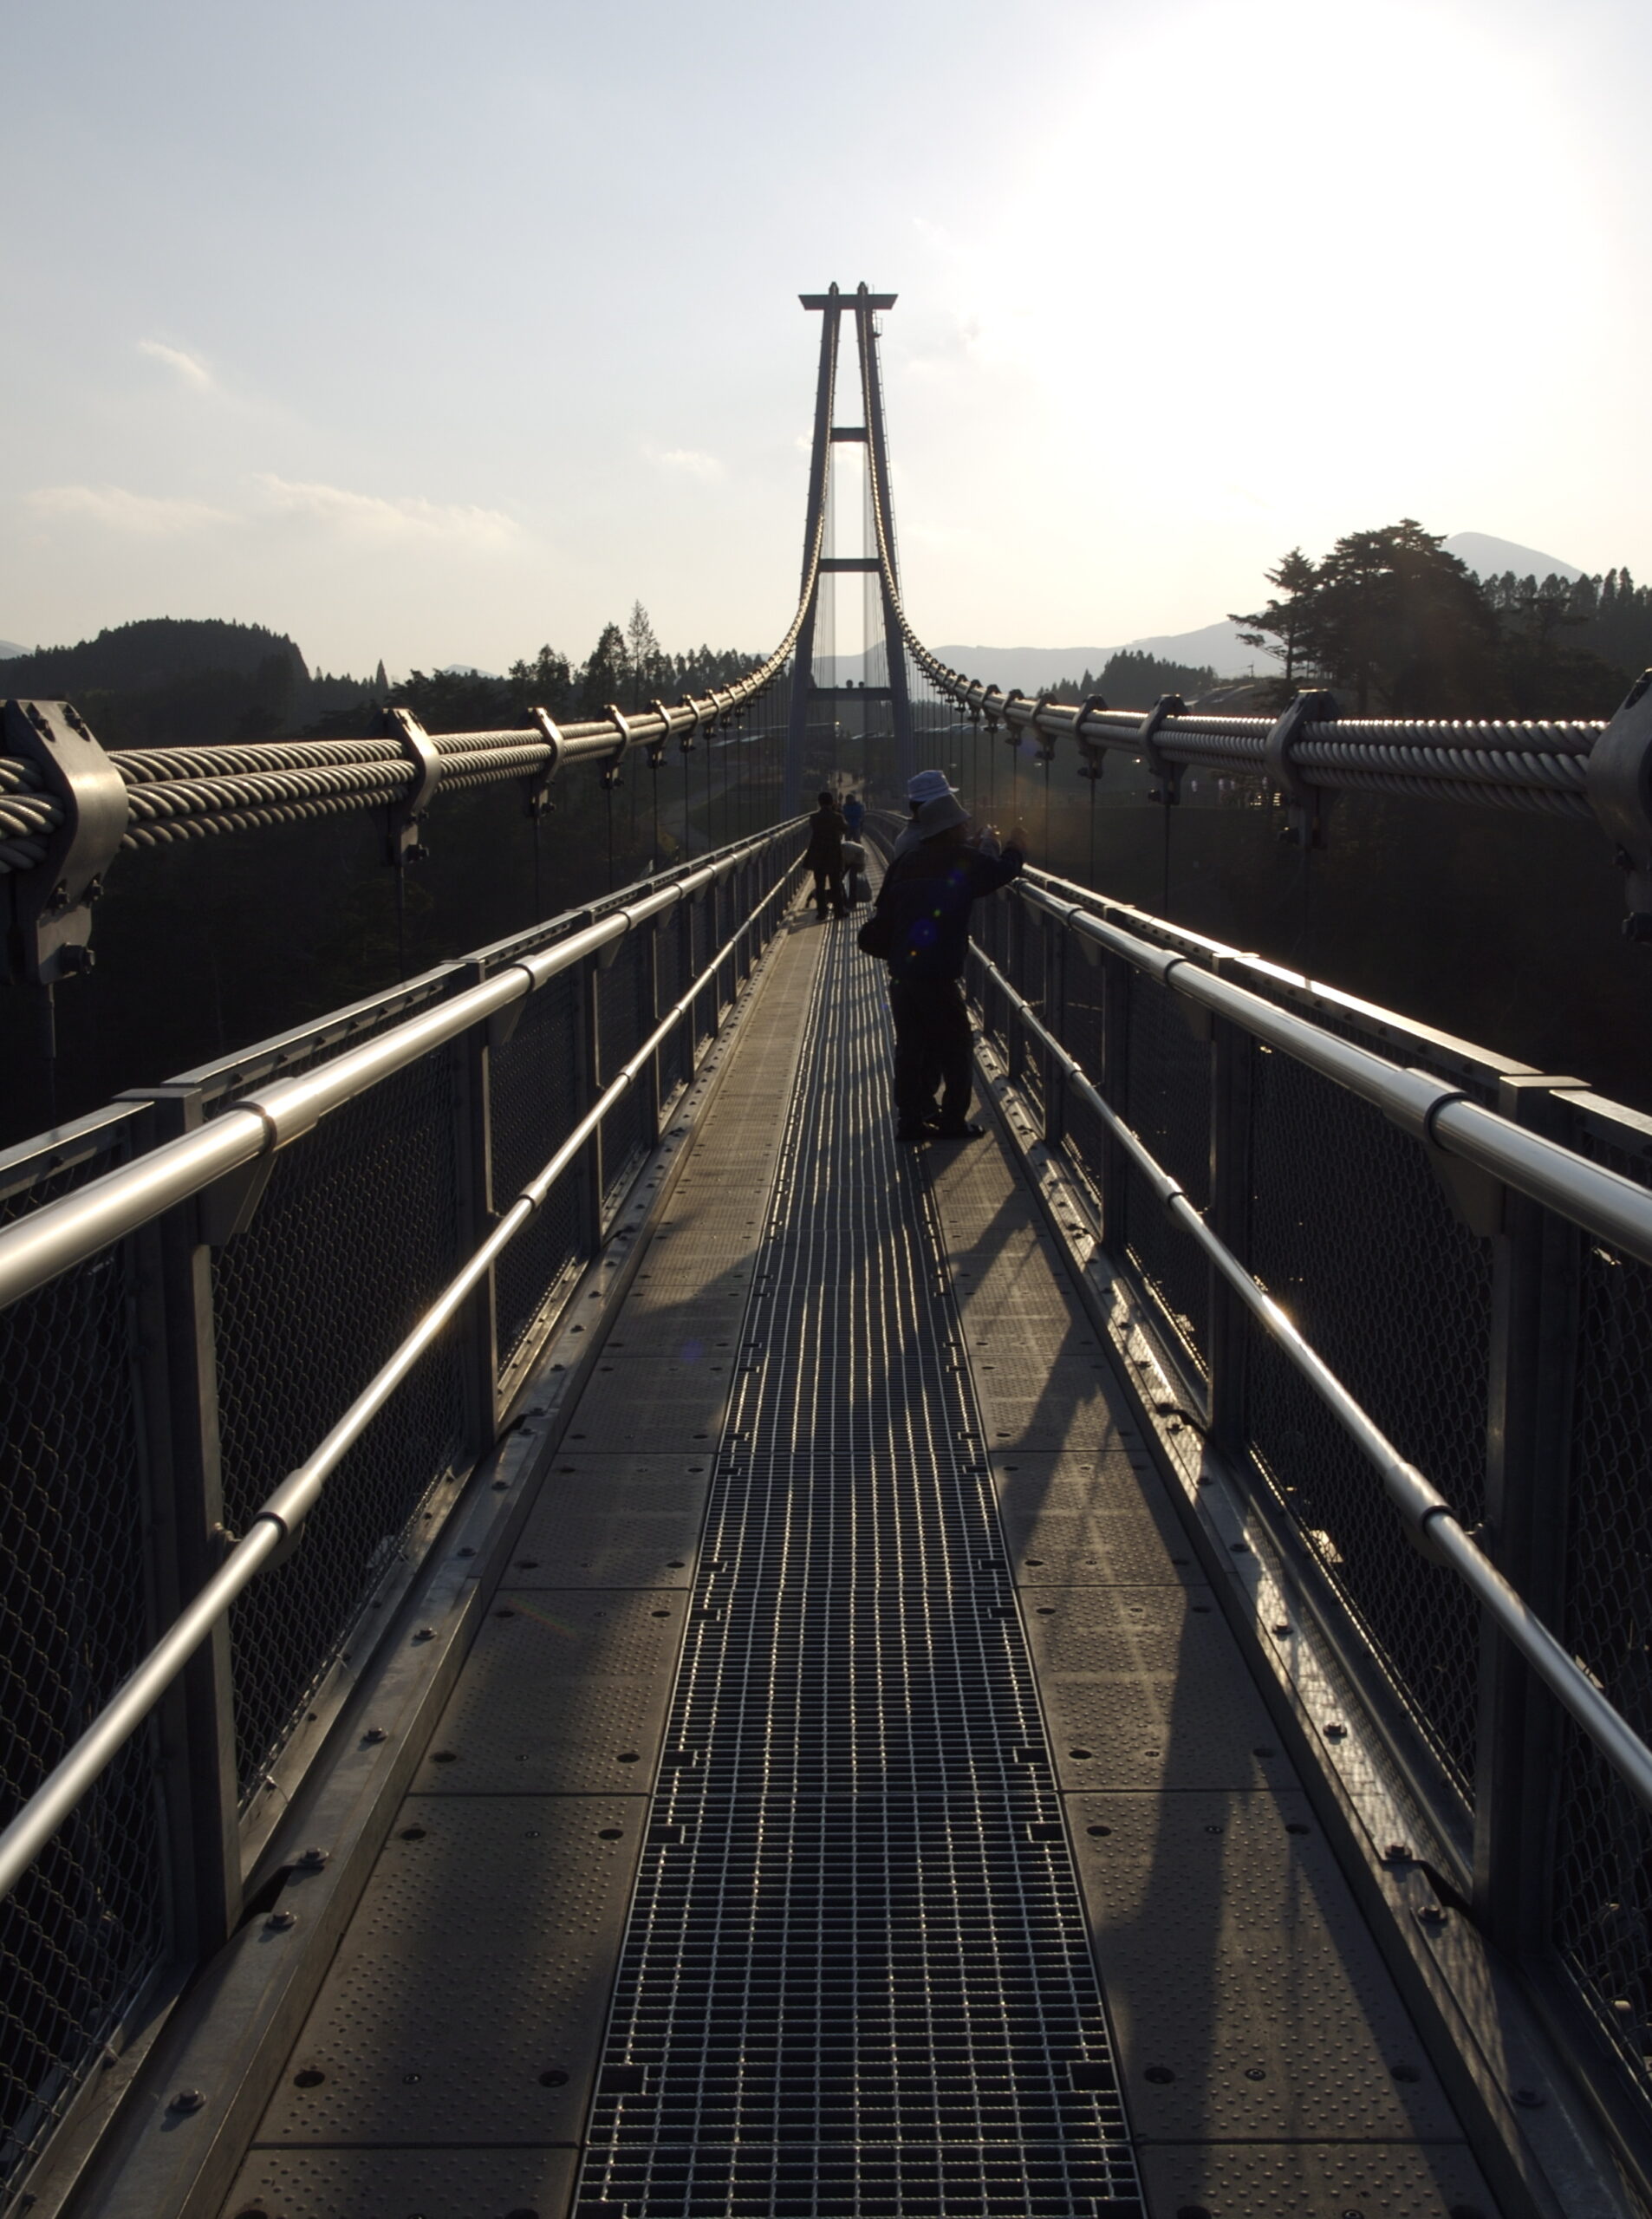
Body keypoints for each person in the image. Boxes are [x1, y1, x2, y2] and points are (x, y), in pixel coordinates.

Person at [869, 781, 1027, 1142]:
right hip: (938, 972)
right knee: (956, 1046)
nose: (966, 828)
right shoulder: (962, 860)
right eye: (962, 824)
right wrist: (1016, 845)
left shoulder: (905, 861)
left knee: (910, 1046)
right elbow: (1002, 871)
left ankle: (909, 1120)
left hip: (901, 971)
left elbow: (884, 911)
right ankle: (953, 1120)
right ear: (951, 829)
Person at [803, 789, 849, 920]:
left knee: (820, 884)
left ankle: (822, 912)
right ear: (832, 802)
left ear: (819, 802)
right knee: (835, 884)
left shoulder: (814, 818)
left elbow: (814, 827)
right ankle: (839, 911)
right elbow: (845, 828)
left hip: (818, 854)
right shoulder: (837, 817)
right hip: (834, 853)